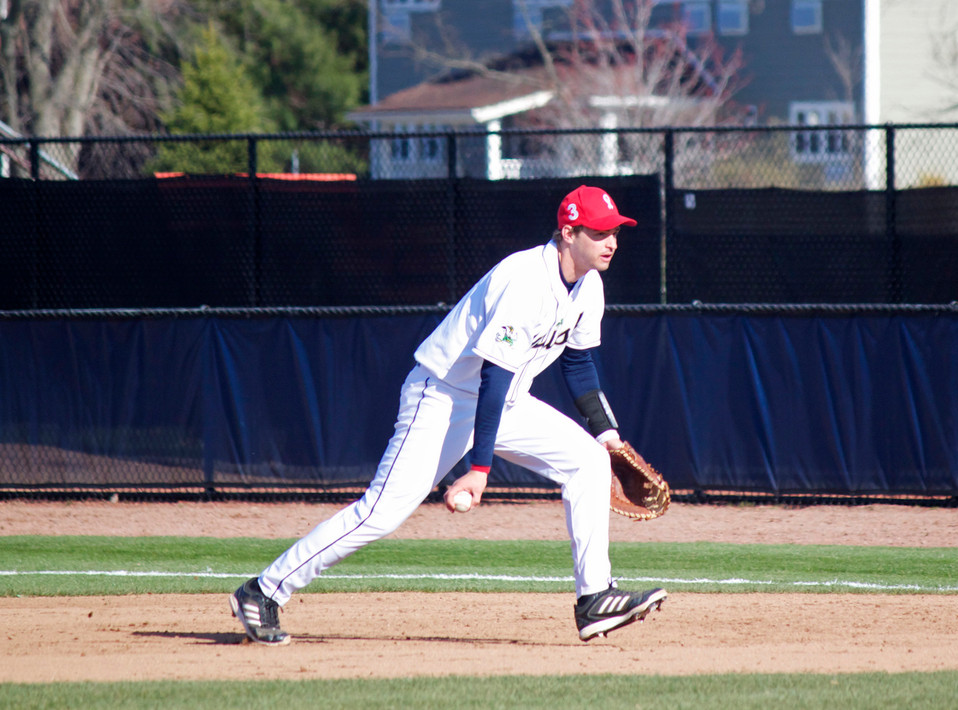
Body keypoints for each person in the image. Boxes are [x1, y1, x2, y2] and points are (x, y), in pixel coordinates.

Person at [230, 185, 667, 644]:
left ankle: (594, 597)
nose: (612, 241)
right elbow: (492, 377)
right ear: (568, 232)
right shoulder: (525, 281)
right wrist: (479, 469)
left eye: (615, 230)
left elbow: (578, 363)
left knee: (589, 460)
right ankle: (263, 590)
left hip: (506, 399)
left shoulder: (589, 285)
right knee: (380, 512)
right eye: (600, 232)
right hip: (442, 397)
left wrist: (608, 435)